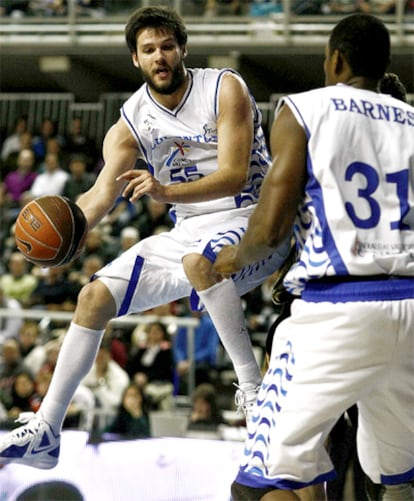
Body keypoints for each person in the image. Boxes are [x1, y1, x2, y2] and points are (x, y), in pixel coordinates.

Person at [0, 5, 290, 469]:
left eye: (168, 47)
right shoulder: (131, 119)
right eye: (149, 50)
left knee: (199, 263)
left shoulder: (224, 87)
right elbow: (100, 194)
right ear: (135, 59)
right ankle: (46, 432)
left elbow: (235, 175)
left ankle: (253, 392)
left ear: (183, 50)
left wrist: (164, 190)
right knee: (93, 297)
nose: (161, 57)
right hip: (191, 230)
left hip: (255, 219)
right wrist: (68, 232)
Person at [214, 13, 414, 501]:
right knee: (399, 480)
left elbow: (272, 224)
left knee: (261, 484)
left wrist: (235, 258)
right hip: (411, 306)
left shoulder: (305, 109)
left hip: (338, 306)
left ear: (336, 60)